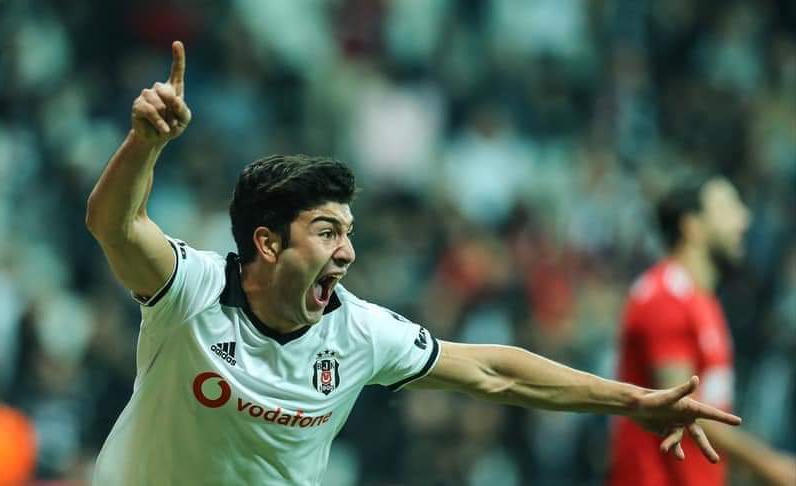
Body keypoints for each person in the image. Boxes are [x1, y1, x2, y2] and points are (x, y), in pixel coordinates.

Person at [85, 41, 741, 486]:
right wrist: (145, 143)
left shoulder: (358, 333)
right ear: (268, 243)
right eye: (326, 232)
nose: (347, 251)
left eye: (348, 232)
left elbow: (493, 371)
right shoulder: (192, 290)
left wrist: (631, 400)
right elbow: (114, 224)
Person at [608, 175, 796, 486]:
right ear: (692, 226)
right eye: (728, 207)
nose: (744, 219)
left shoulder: (704, 302)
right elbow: (682, 408)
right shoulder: (664, 298)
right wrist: (770, 465)